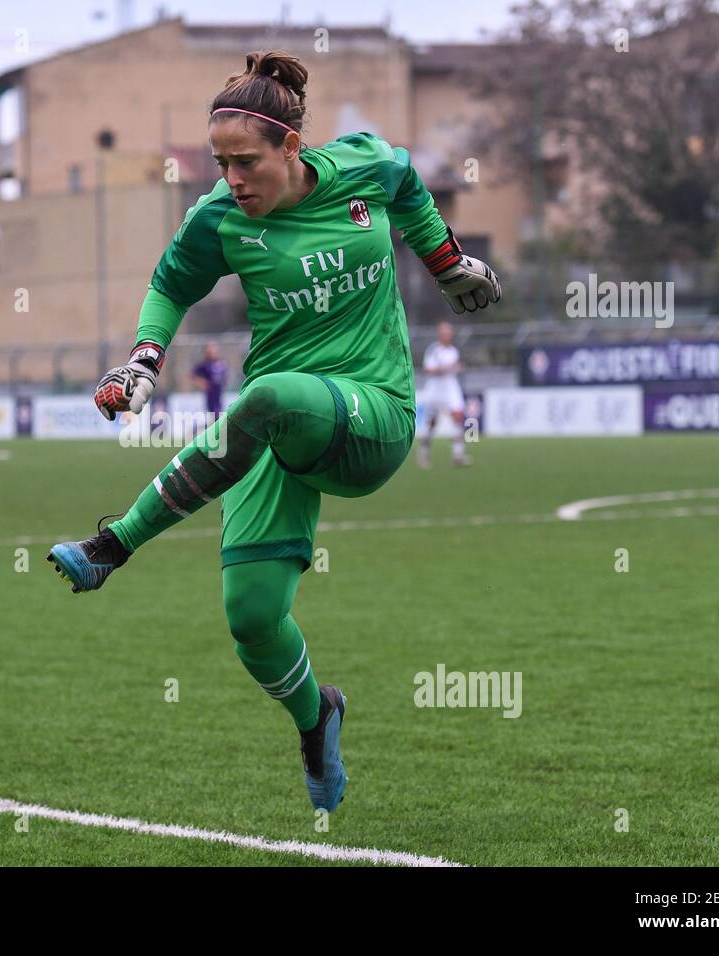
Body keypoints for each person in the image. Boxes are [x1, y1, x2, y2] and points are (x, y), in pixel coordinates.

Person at [47, 51, 501, 811]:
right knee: (253, 617)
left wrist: (448, 264)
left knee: (269, 394)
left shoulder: (365, 166)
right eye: (220, 164)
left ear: (292, 148)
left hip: (371, 413)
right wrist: (142, 365)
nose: (233, 180)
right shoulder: (219, 221)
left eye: (246, 162)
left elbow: (410, 188)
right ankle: (316, 719)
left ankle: (113, 544)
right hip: (274, 427)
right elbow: (169, 286)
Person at [416, 321, 471, 468]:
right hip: (435, 389)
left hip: (450, 387)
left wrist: (458, 367)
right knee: (431, 424)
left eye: (448, 333)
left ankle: (458, 455)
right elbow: (428, 369)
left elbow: (455, 366)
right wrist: (445, 368)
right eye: (444, 333)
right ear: (439, 335)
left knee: (458, 416)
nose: (446, 335)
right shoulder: (434, 350)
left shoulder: (453, 351)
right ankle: (423, 454)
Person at [191, 341, 229, 417]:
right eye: (211, 349)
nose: (214, 351)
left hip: (219, 393)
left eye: (215, 348)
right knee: (214, 414)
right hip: (210, 394)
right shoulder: (204, 364)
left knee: (219, 413)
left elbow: (224, 377)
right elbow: (193, 375)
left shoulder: (221, 363)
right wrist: (201, 383)